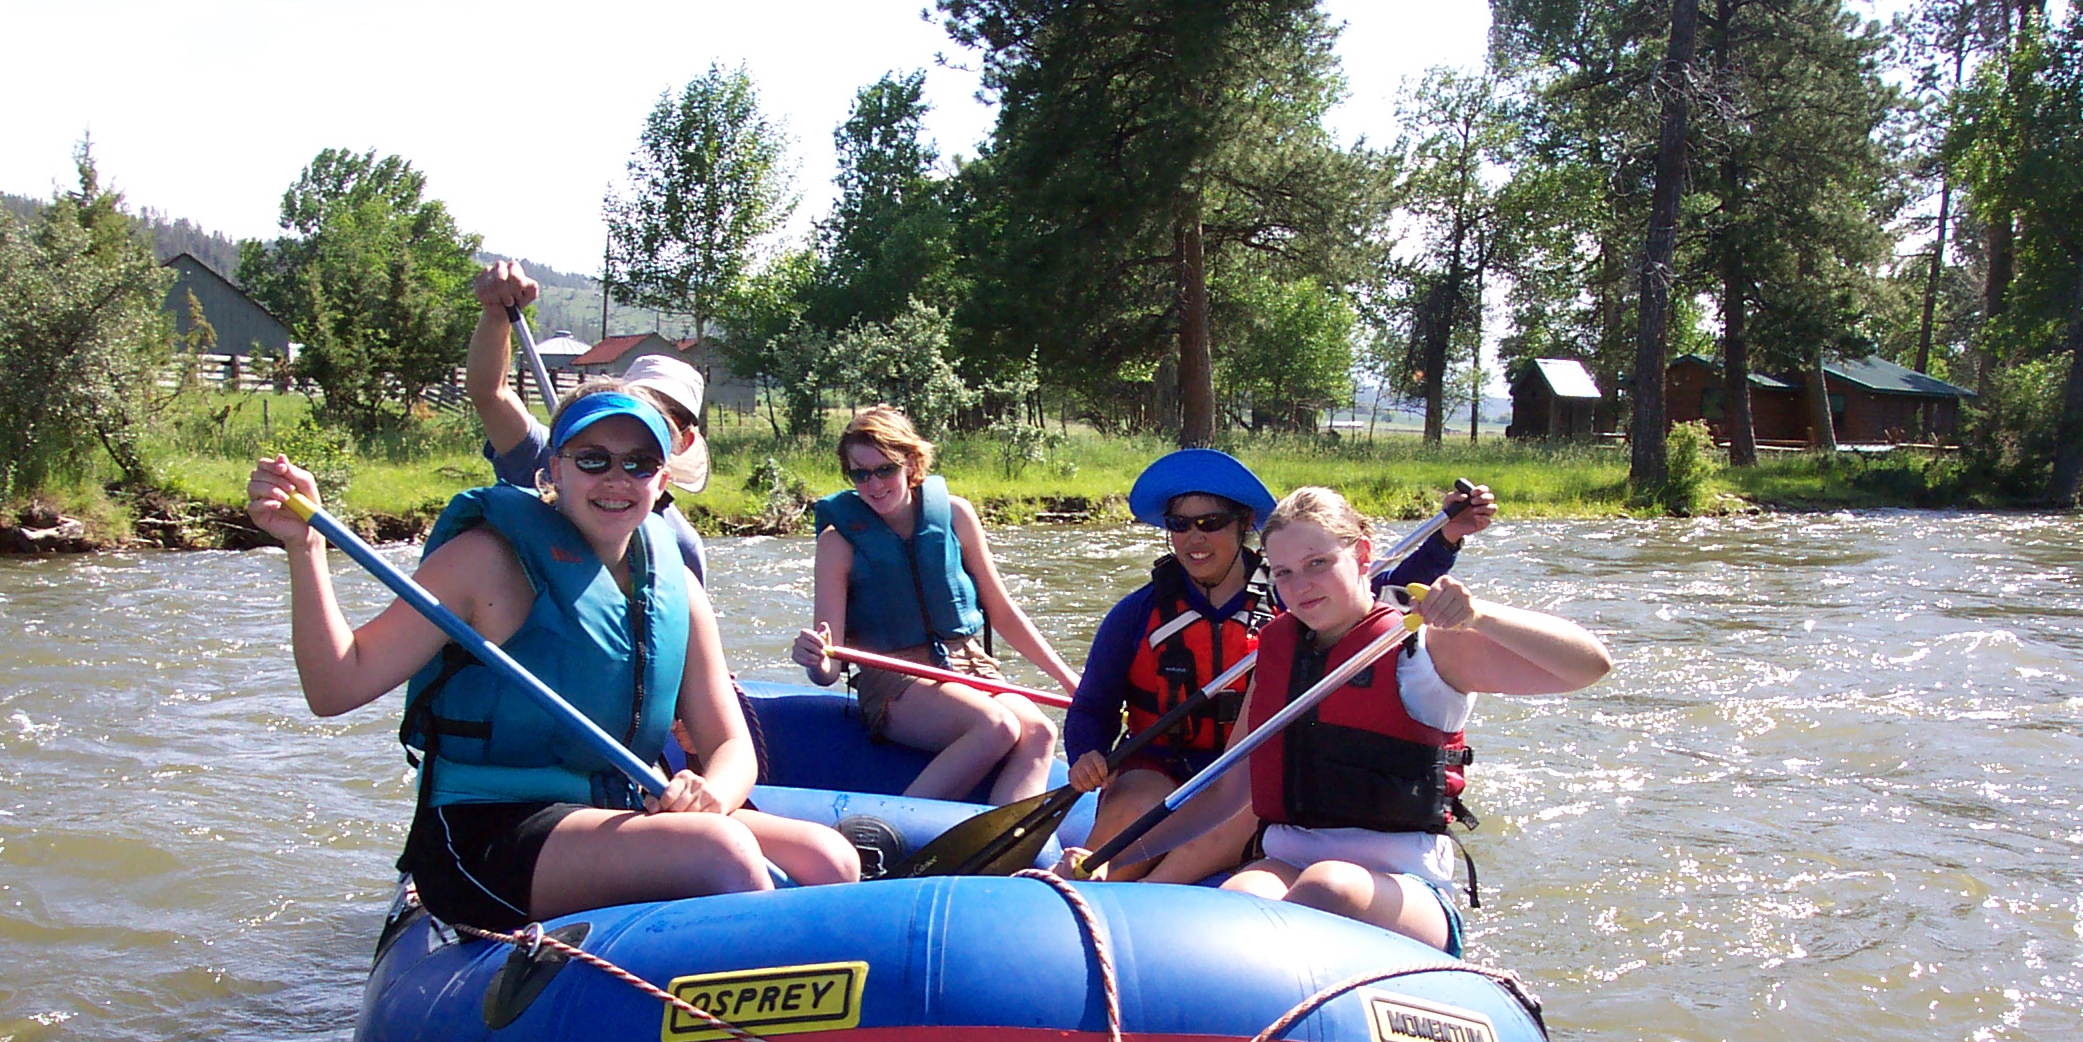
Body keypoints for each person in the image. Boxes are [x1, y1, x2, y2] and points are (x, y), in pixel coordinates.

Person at [247, 386, 857, 933]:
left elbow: (731, 748)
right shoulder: (484, 560)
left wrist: (714, 797)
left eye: (638, 464)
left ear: (662, 479)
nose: (616, 480)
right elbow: (336, 686)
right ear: (554, 471)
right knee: (719, 852)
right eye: (593, 460)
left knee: (830, 857)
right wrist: (306, 547)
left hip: (612, 813)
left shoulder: (678, 590)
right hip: (486, 831)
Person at [1059, 486, 1610, 954]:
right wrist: (1113, 860)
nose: (1301, 587)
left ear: (1363, 555)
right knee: (1232, 910)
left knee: (1330, 887)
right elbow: (1228, 795)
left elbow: (1589, 665)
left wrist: (1482, 615)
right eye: (1284, 573)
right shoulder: (1275, 652)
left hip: (1405, 879)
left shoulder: (1425, 646)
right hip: (1287, 859)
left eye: (1318, 564)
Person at [1063, 451, 1497, 883]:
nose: (1194, 538)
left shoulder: (1294, 593)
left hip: (1253, 775)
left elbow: (1374, 591)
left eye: (1210, 523)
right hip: (1159, 765)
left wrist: (1445, 541)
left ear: (1242, 525)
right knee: (1133, 804)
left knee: (1244, 808)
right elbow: (1091, 706)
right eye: (1180, 525)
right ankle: (1092, 884)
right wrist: (1087, 751)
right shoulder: (1137, 613)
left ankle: (1152, 897)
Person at [790, 406, 1082, 805]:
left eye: (884, 470)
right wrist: (815, 659)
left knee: (1041, 732)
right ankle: (891, 832)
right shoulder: (836, 543)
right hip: (894, 679)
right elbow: (830, 668)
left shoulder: (956, 515)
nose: (873, 485)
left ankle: (1005, 849)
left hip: (970, 666)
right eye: (860, 474)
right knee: (994, 726)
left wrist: (1070, 681)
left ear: (910, 463)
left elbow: (1002, 611)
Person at [466, 261, 712, 583]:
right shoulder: (553, 456)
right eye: (643, 403)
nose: (652, 419)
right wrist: (496, 315)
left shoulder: (681, 547)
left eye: (669, 416)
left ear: (685, 442)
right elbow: (490, 393)